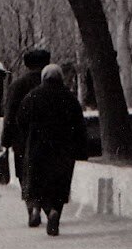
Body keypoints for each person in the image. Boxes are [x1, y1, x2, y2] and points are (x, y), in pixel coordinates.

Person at [17, 63, 87, 237]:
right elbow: (79, 125)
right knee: (59, 184)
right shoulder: (69, 98)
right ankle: (55, 210)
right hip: (63, 150)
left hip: (37, 149)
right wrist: (80, 149)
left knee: (38, 183)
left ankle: (44, 210)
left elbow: (21, 120)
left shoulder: (32, 96)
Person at [0, 48, 50, 226]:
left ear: (27, 64)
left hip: (22, 139)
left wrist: (5, 141)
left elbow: (10, 114)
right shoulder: (54, 84)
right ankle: (48, 207)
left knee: (25, 174)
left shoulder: (17, 85)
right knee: (47, 173)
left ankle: (32, 207)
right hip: (49, 139)